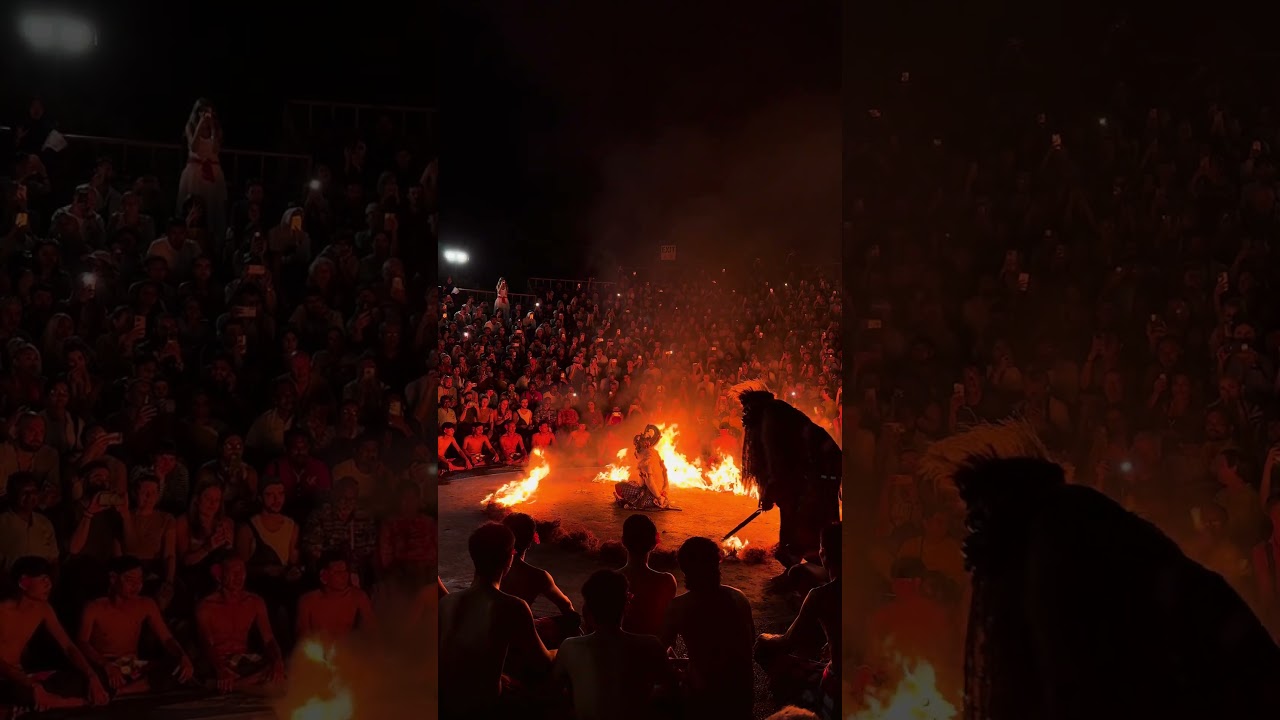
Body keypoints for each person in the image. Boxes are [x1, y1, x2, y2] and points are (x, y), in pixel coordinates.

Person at [438, 522, 555, 719]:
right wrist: (565, 650)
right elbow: (542, 661)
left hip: (444, 703)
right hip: (483, 709)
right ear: (510, 558)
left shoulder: (447, 602)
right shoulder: (512, 606)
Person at [551, 570, 670, 720]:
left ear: (587, 610)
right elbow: (671, 691)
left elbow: (554, 692)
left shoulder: (569, 647)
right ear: (626, 606)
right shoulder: (650, 646)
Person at [660, 536, 755, 720]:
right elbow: (746, 644)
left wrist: (681, 671)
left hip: (704, 703)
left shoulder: (680, 606)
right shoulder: (739, 598)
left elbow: (658, 654)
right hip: (742, 701)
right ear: (718, 561)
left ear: (682, 567)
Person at [755, 522, 842, 718]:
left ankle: (802, 709)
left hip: (840, 684)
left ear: (824, 554)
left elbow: (787, 642)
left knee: (766, 651)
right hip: (877, 681)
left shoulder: (822, 595)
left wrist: (764, 637)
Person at [0, 557, 109, 711]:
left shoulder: (43, 608)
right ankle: (73, 702)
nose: (49, 585)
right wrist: (30, 684)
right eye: (43, 579)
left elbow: (68, 647)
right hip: (7, 679)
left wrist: (91, 675)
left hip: (24, 676)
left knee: (96, 678)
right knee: (21, 693)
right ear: (24, 582)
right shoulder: (2, 611)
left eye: (49, 579)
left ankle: (49, 701)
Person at [76, 556, 195, 696]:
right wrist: (105, 665)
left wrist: (182, 656)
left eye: (140, 580)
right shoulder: (94, 607)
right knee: (85, 679)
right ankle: (119, 688)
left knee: (177, 667)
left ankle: (121, 691)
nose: (136, 585)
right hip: (106, 666)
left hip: (133, 666)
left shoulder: (146, 604)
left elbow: (166, 638)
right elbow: (82, 643)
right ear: (113, 578)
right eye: (130, 580)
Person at [194, 555, 286, 694]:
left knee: (281, 675)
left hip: (242, 660)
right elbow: (207, 644)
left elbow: (269, 639)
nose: (239, 577)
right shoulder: (206, 606)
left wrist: (277, 661)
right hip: (216, 661)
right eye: (233, 572)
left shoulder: (255, 602)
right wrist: (221, 669)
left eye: (242, 571)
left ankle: (229, 686)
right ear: (220, 575)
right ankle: (234, 683)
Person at [499, 513, 579, 647]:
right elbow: (567, 607)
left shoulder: (490, 566)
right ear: (530, 542)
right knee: (574, 619)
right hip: (517, 637)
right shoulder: (538, 576)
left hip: (493, 630)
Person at [617, 514, 677, 638]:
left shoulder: (608, 581)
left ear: (623, 541)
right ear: (655, 543)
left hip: (619, 652)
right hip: (653, 651)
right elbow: (668, 630)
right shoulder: (666, 582)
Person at [177, 99, 226, 244]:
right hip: (194, 172)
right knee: (193, 205)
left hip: (212, 171)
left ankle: (213, 240)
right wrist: (200, 125)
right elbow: (193, 147)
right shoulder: (190, 126)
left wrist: (211, 127)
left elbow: (216, 149)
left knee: (213, 207)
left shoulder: (217, 129)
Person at [296, 551, 375, 642]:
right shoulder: (307, 602)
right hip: (318, 653)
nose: (344, 576)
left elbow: (372, 633)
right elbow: (303, 642)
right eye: (338, 572)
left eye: (345, 571)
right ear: (324, 575)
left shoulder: (358, 597)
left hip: (348, 652)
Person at [615, 425, 671, 510]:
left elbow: (650, 483)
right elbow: (664, 472)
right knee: (632, 483)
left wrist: (659, 498)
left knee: (620, 486)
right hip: (660, 491)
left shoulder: (646, 461)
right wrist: (665, 491)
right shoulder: (654, 453)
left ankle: (628, 501)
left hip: (652, 496)